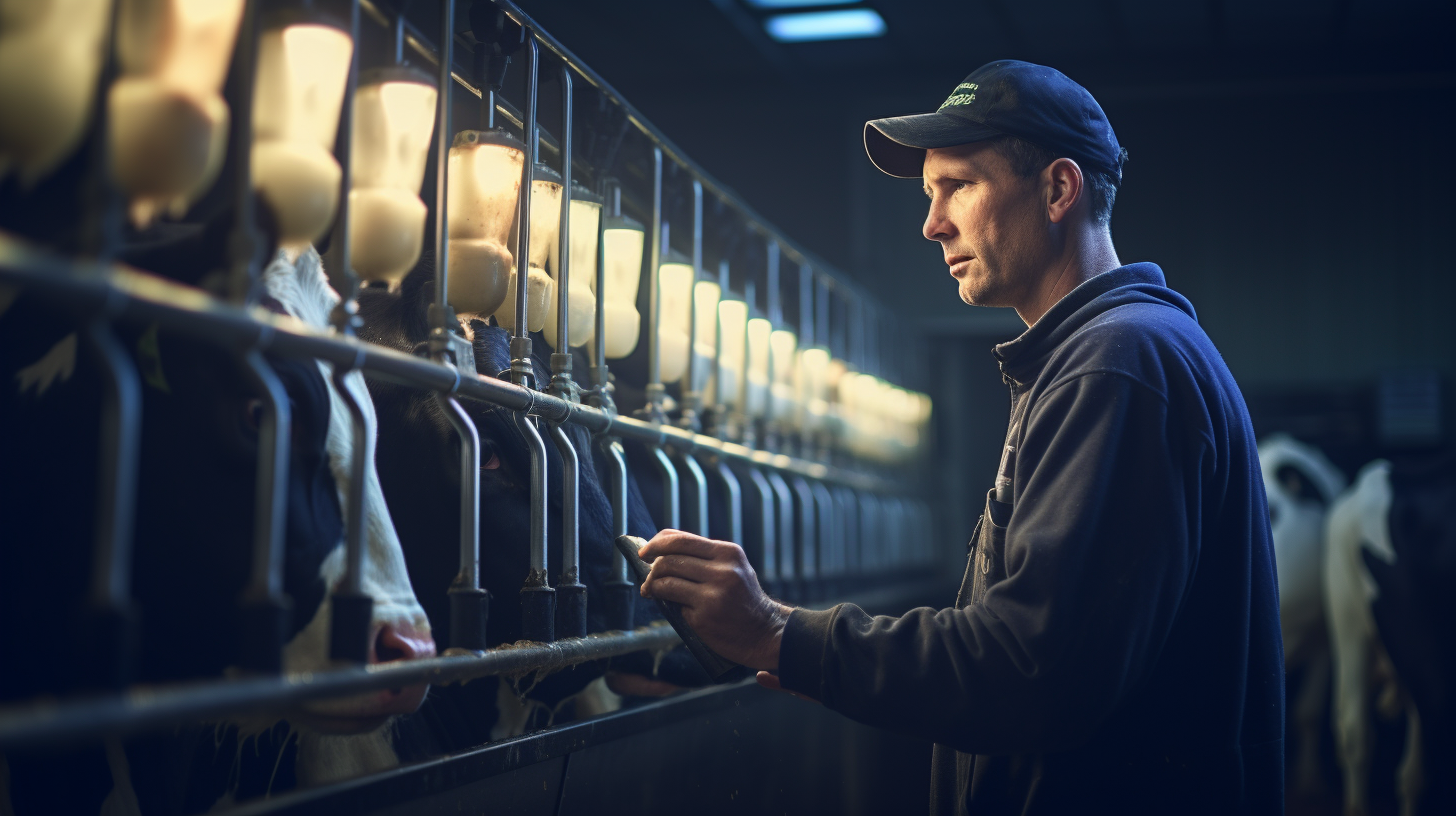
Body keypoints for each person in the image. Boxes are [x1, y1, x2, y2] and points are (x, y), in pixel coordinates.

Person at [636, 60, 1283, 815]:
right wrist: (815, 663)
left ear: (1057, 189)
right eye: (928, 193)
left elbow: (1029, 669)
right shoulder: (1095, 358)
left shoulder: (1116, 364)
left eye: (959, 186)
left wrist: (780, 634)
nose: (931, 222)